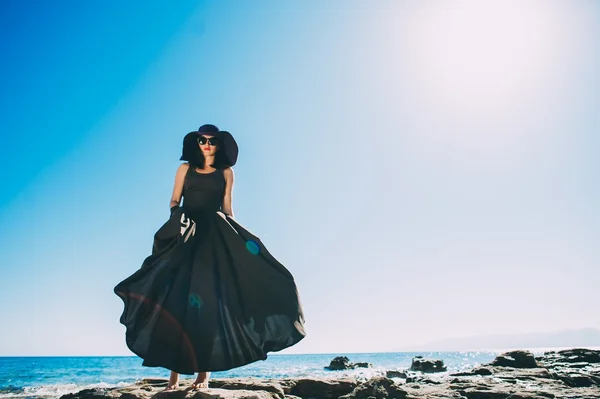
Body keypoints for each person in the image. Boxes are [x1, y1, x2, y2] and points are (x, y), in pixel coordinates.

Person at [113, 124, 306, 391]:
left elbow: (227, 209)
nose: (206, 144)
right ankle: (173, 378)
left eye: (212, 141)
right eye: (202, 140)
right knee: (177, 306)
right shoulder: (185, 169)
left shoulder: (227, 173)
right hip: (187, 236)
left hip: (214, 239)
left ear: (219, 145)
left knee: (207, 310)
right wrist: (178, 218)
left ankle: (203, 377)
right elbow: (173, 200)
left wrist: (240, 240)